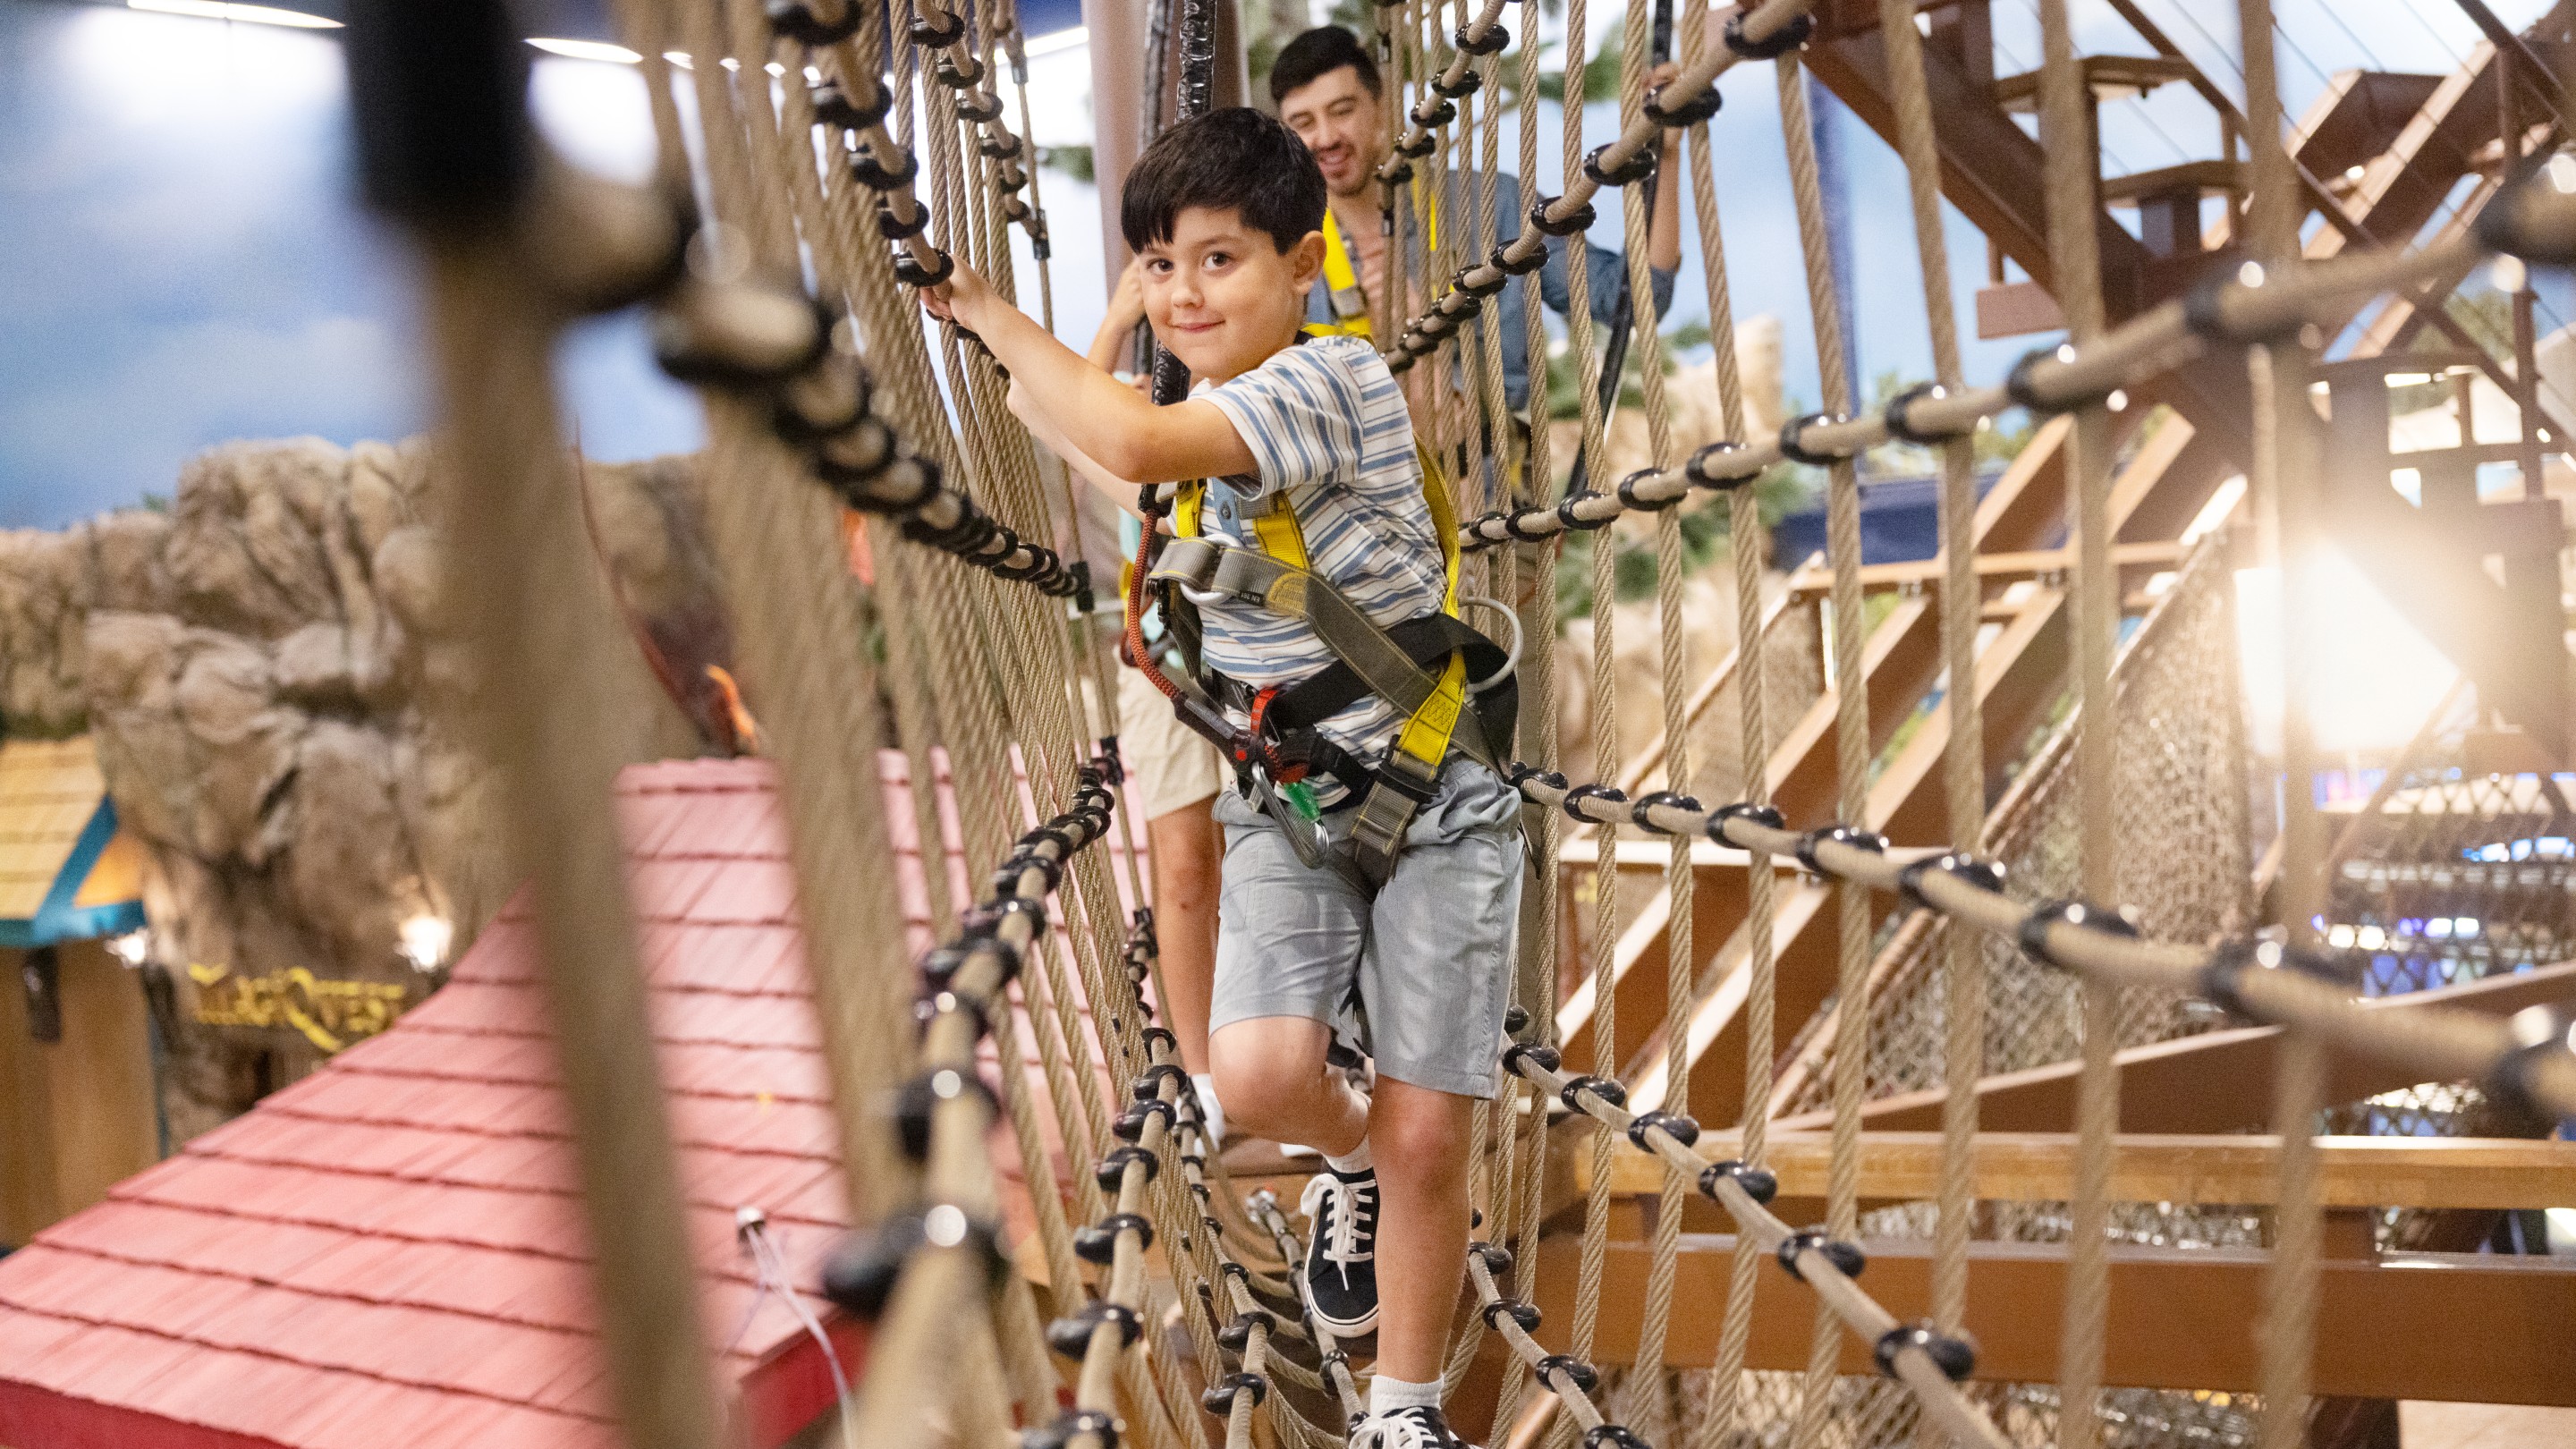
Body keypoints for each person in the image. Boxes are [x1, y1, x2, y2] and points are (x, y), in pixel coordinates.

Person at [924, 107, 1524, 1449]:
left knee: (1435, 1136)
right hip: (1296, 803)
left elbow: (1121, 445)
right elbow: (1071, 419)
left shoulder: (1332, 383)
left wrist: (981, 300)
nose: (1187, 291)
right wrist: (1079, 332)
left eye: (1219, 261)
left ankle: (1404, 1412)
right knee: (1257, 1079)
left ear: (1300, 268)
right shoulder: (1199, 416)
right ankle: (1350, 1154)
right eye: (1163, 266)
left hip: (1436, 804)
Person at [1269, 24, 1682, 411]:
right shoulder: (1283, 258)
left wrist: (1666, 153)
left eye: (1342, 111)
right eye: (1303, 123)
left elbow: (1636, 300)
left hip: (1488, 474)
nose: (1325, 138)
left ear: (1381, 108)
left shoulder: (1493, 205)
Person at [1086, 260, 1227, 1140]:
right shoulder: (1132, 409)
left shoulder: (1243, 392)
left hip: (1259, 652)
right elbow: (1064, 405)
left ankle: (1290, 1056)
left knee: (1275, 858)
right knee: (1183, 867)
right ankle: (1204, 1070)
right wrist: (1114, 318)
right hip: (1164, 658)